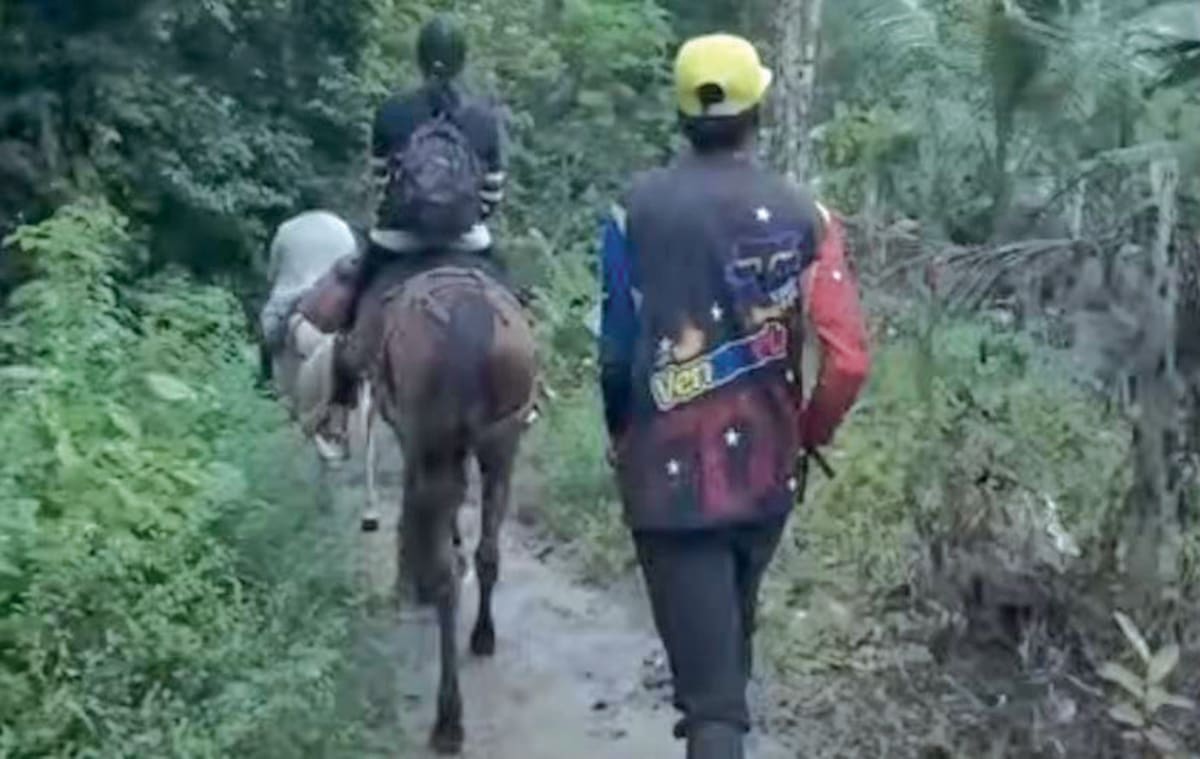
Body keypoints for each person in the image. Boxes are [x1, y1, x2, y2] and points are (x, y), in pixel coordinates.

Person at [598, 33, 870, 758]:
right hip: (766, 481)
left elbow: (617, 350)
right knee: (727, 665)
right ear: (759, 108)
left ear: (682, 113)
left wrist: (624, 436)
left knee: (714, 705)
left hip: (667, 483)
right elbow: (847, 362)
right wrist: (808, 430)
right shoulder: (808, 217)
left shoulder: (633, 212)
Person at [326, 13, 508, 441]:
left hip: (398, 241)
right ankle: (531, 393)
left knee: (351, 313)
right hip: (467, 240)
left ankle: (339, 404)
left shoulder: (391, 112)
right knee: (512, 301)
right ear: (462, 59)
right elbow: (493, 192)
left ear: (420, 58)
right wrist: (469, 218)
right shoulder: (484, 118)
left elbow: (380, 182)